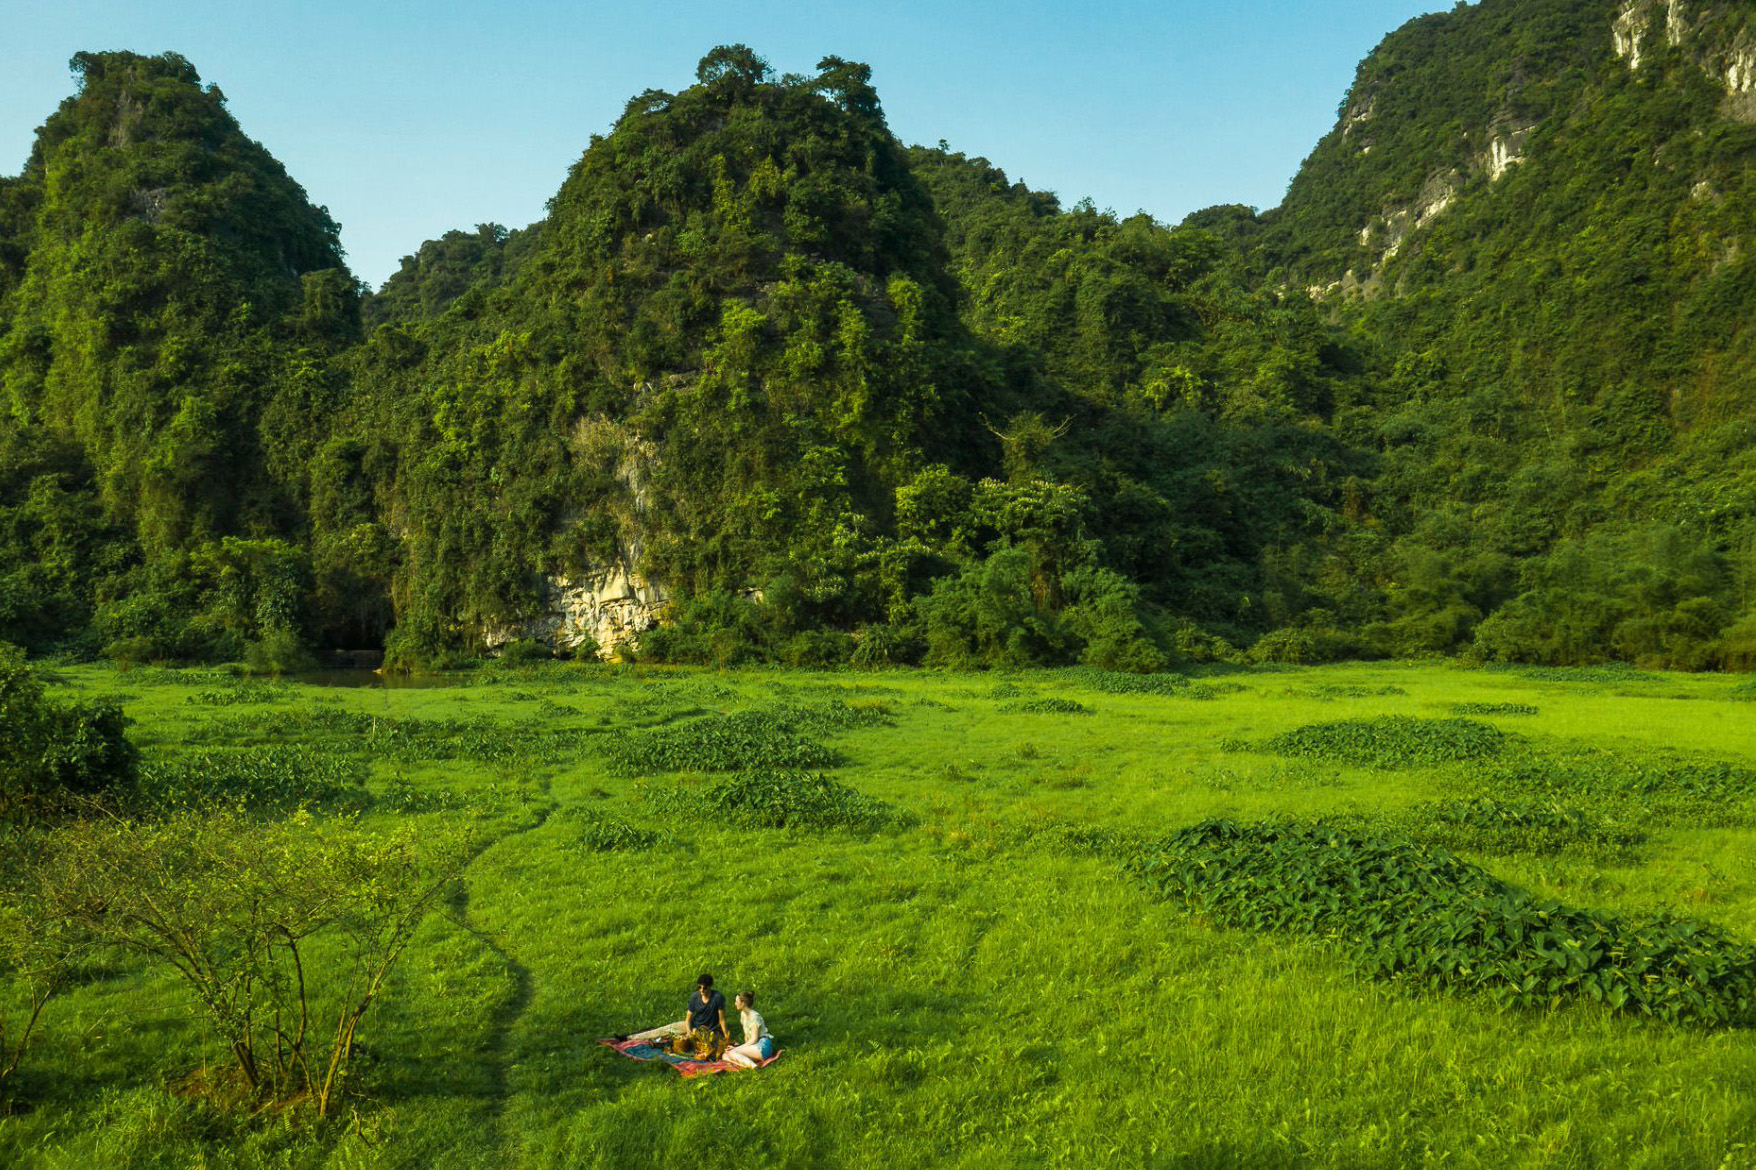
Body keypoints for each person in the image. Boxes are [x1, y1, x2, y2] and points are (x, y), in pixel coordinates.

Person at [627, 973, 728, 1046]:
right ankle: (630, 1037)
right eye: (699, 987)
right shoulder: (694, 997)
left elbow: (722, 1020)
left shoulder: (718, 998)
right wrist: (689, 1031)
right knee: (663, 1030)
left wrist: (727, 1037)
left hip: (708, 1032)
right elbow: (687, 1019)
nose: (701, 990)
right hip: (692, 1027)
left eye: (704, 988)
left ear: (710, 987)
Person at [722, 988, 775, 1069]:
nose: (735, 1004)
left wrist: (737, 1048)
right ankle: (749, 1064)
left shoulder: (755, 1017)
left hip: (763, 1046)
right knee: (725, 1056)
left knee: (732, 1053)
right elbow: (747, 1038)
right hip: (754, 1046)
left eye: (737, 1002)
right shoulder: (743, 1015)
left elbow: (754, 1039)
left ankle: (753, 1067)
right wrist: (740, 1049)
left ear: (743, 1003)